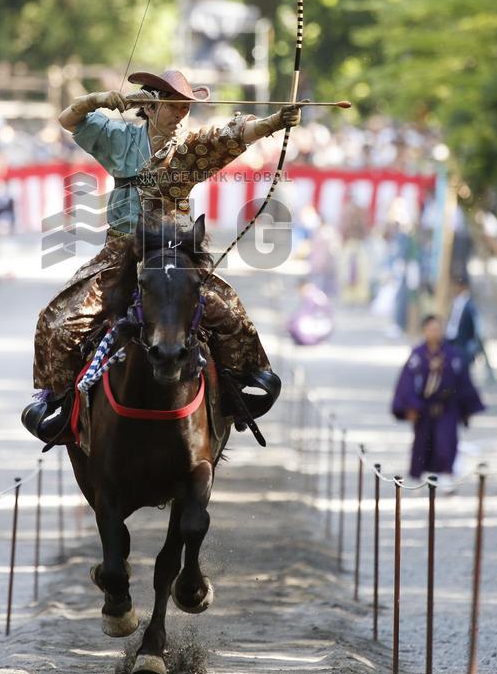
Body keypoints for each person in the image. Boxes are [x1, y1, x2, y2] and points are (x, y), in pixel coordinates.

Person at [23, 68, 300, 445]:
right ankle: (60, 404)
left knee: (230, 314)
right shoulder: (119, 138)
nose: (181, 114)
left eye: (186, 107)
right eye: (173, 106)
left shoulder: (189, 150)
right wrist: (98, 100)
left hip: (174, 253)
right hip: (120, 253)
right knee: (57, 322)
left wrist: (272, 122)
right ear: (150, 107)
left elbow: (231, 135)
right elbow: (69, 119)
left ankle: (239, 391)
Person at [392, 314, 485, 482]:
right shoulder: (417, 355)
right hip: (423, 407)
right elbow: (407, 383)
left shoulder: (452, 354)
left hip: (447, 407)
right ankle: (417, 478)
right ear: (424, 331)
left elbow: (463, 381)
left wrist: (467, 408)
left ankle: (447, 477)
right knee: (422, 444)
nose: (434, 332)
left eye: (437, 329)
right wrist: (410, 406)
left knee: (446, 442)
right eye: (431, 329)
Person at [445, 276, 480, 366]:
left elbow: (475, 324)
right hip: (453, 338)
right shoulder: (456, 301)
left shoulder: (469, 303)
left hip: (464, 339)